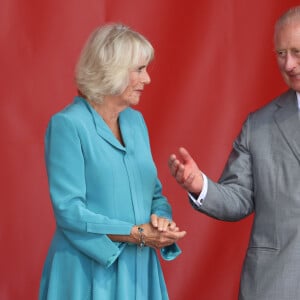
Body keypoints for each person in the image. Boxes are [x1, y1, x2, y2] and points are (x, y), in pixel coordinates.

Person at [39, 23, 186, 300]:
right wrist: (136, 234)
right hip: (87, 273)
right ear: (112, 71)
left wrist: (161, 221)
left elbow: (153, 195)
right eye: (140, 70)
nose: (148, 80)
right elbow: (69, 210)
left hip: (140, 271)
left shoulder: (136, 122)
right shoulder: (68, 125)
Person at [168, 5, 300, 300]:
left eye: (297, 52)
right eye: (281, 53)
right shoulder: (259, 125)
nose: (289, 64)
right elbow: (238, 197)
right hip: (275, 285)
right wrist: (199, 185)